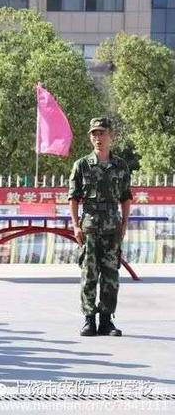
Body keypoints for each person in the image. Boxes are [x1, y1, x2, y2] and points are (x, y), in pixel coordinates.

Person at [68, 117, 132, 337]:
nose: (98, 138)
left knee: (110, 275)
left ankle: (106, 320)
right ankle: (89, 320)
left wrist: (125, 222)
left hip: (112, 228)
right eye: (94, 134)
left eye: (102, 133)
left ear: (111, 136)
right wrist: (76, 226)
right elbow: (73, 198)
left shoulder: (120, 165)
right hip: (90, 228)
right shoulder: (82, 165)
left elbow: (125, 197)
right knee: (89, 274)